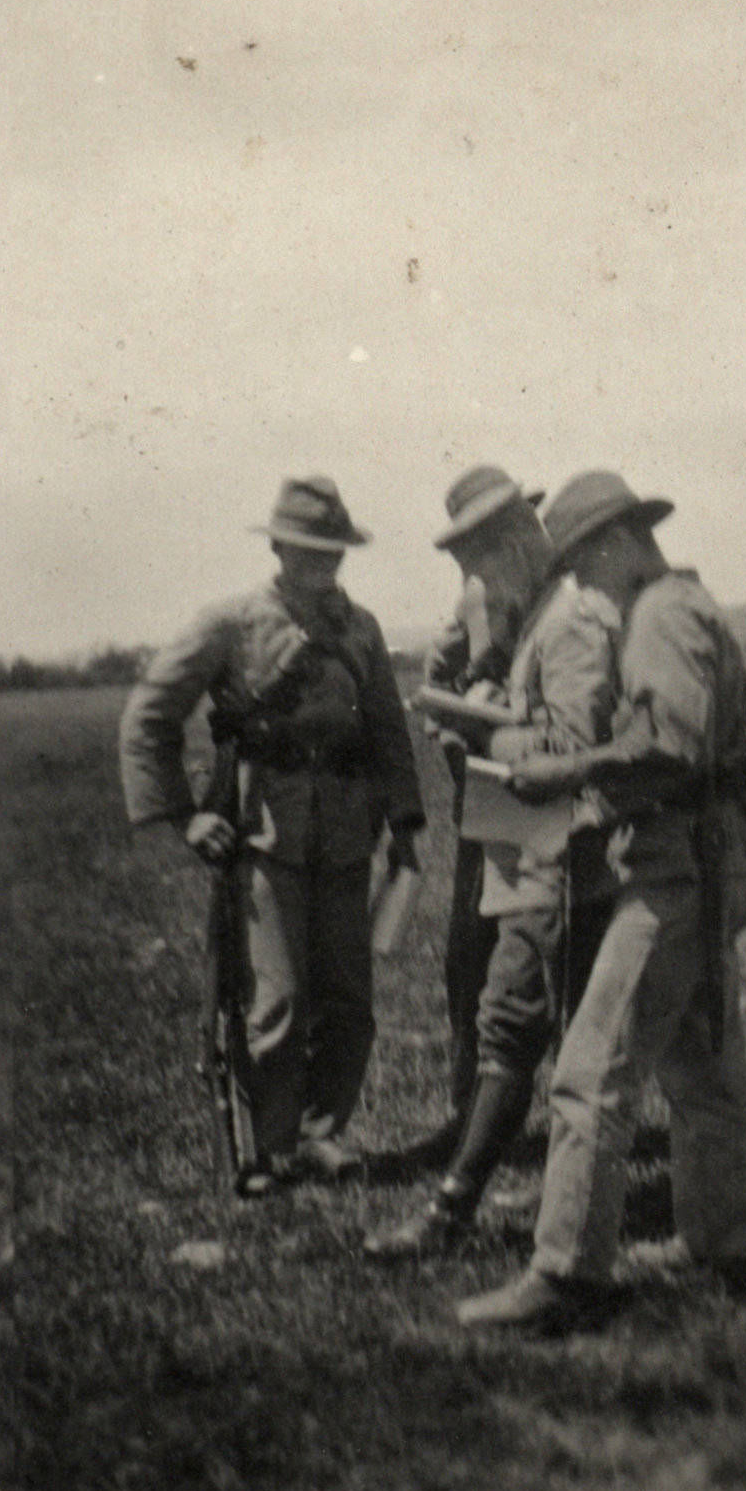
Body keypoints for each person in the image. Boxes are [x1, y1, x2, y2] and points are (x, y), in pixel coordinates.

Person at [458, 470, 746, 1331]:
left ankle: (565, 1271)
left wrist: (566, 768)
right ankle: (718, 1241)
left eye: (584, 566)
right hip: (706, 864)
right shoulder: (687, 603)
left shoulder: (662, 616)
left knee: (589, 1073)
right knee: (704, 1071)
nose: (583, 586)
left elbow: (666, 747)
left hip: (674, 871)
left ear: (618, 544)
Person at [119, 476, 425, 1193]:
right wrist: (188, 812)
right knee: (278, 1003)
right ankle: (273, 1145)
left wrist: (406, 827)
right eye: (311, 550)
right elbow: (149, 716)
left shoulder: (363, 628)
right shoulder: (230, 621)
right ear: (280, 546)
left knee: (350, 1003)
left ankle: (324, 1132)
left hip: (349, 835)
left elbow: (389, 731)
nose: (325, 565)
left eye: (336, 552)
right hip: (265, 836)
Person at [363, 466, 623, 1257]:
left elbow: (575, 747)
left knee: (515, 1023)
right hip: (543, 844)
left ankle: (453, 1213)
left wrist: (484, 734)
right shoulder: (541, 610)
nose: (471, 579)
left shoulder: (568, 619)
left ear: (514, 540)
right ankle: (573, 1202)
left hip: (565, 849)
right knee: (572, 1037)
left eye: (475, 557)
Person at [413, 467, 545, 1161]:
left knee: (547, 945)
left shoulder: (572, 580)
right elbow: (440, 678)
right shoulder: (477, 594)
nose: (488, 553)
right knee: (476, 947)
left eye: (499, 530)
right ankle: (471, 1109)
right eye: (474, 543)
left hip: (567, 776)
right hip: (494, 784)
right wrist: (456, 715)